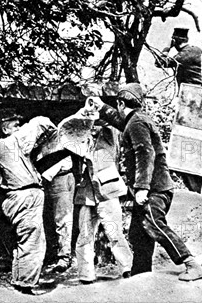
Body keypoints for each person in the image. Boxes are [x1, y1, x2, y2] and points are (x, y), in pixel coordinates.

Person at [88, 84, 202, 281]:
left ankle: (191, 264)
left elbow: (145, 153)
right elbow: (120, 121)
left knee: (153, 224)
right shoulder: (136, 120)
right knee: (139, 232)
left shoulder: (136, 123)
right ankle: (140, 274)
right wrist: (101, 106)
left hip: (154, 188)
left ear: (120, 103)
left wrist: (142, 188)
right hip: (153, 187)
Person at [0, 108, 57, 295]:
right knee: (33, 241)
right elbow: (41, 121)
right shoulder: (13, 141)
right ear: (4, 128)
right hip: (25, 195)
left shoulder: (1, 148)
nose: (19, 125)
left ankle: (20, 281)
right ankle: (26, 286)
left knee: (25, 239)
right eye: (15, 123)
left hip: (16, 197)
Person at [74, 121, 133, 284]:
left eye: (96, 123)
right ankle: (86, 274)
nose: (93, 126)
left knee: (114, 232)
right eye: (90, 124)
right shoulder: (83, 140)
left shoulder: (110, 135)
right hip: (87, 193)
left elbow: (112, 126)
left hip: (107, 190)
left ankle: (127, 267)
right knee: (85, 234)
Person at [37, 150, 76, 273]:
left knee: (63, 219)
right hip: (46, 181)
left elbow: (63, 159)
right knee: (47, 220)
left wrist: (42, 176)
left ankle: (64, 257)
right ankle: (50, 254)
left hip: (61, 179)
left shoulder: (61, 138)